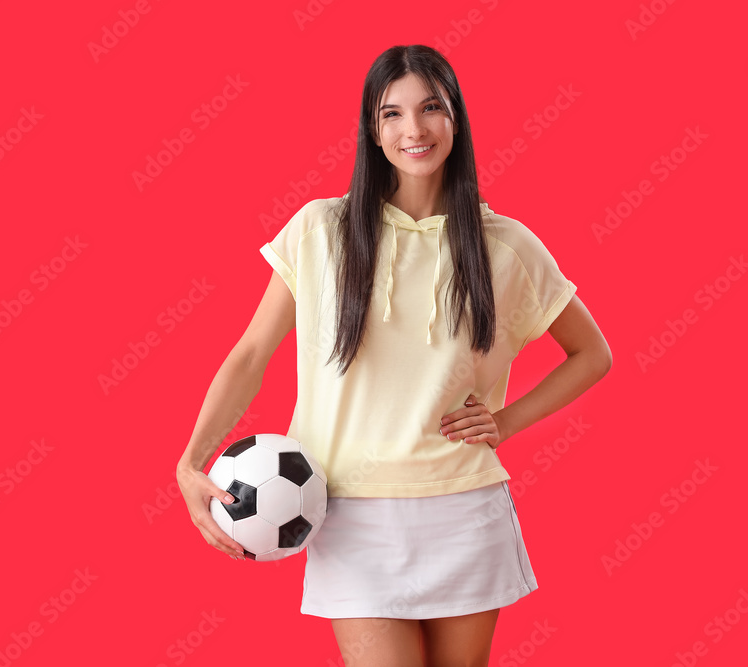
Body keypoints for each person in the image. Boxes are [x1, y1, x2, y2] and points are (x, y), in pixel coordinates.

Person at [175, 44, 612, 667]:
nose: (414, 129)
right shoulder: (320, 230)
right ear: (372, 131)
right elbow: (251, 354)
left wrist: (506, 422)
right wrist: (190, 461)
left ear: (455, 119)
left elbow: (592, 353)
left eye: (432, 107)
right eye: (392, 114)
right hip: (349, 514)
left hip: (464, 510)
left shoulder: (506, 246)